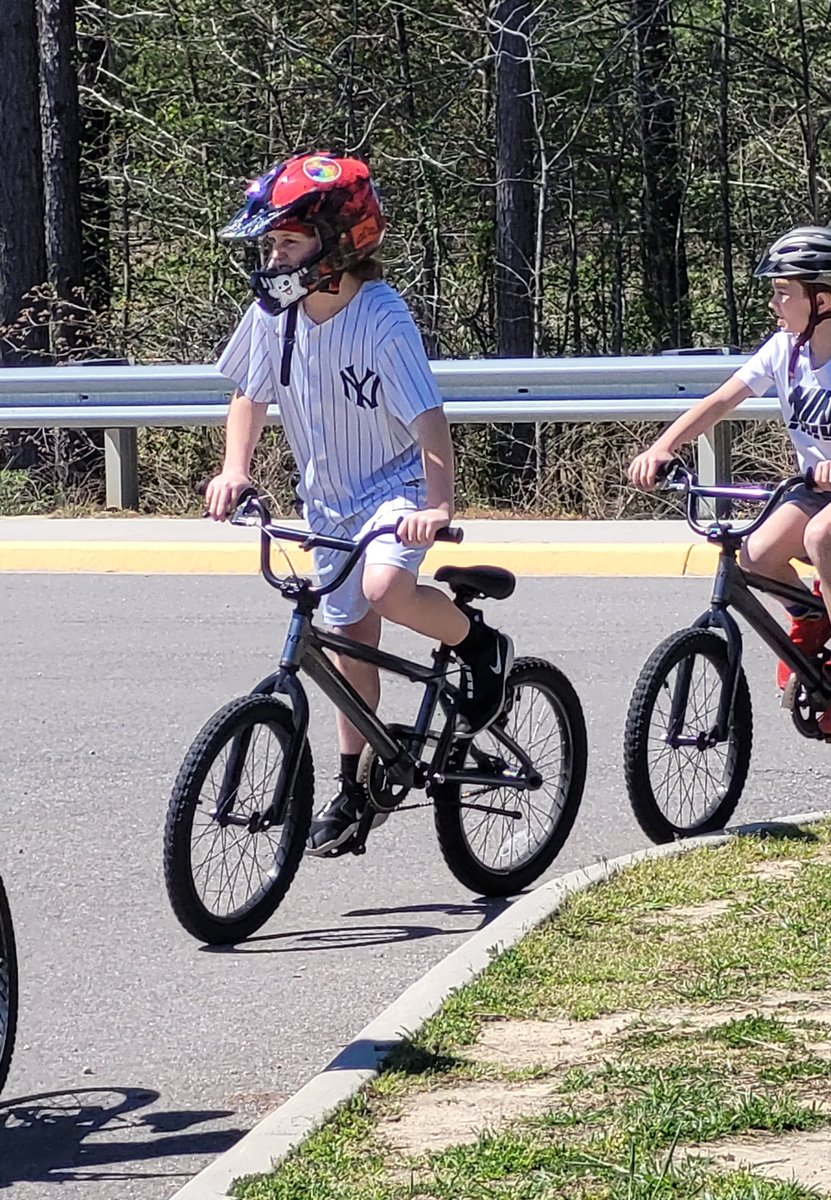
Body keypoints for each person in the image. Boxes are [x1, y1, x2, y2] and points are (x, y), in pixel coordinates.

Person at [206, 151, 514, 854]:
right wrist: (234, 469)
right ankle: (354, 787)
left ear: (338, 242)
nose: (274, 258)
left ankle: (480, 646)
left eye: (288, 242)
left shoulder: (381, 316)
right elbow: (249, 395)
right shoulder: (273, 314)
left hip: (397, 488)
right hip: (328, 501)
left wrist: (438, 505)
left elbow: (428, 419)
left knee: (384, 588)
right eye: (271, 244)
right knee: (349, 648)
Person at [629, 226, 831, 734]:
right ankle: (811, 617)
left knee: (823, 535)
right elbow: (721, 401)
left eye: (783, 292)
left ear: (823, 299)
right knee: (755, 553)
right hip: (821, 487)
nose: (773, 303)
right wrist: (664, 446)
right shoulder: (782, 349)